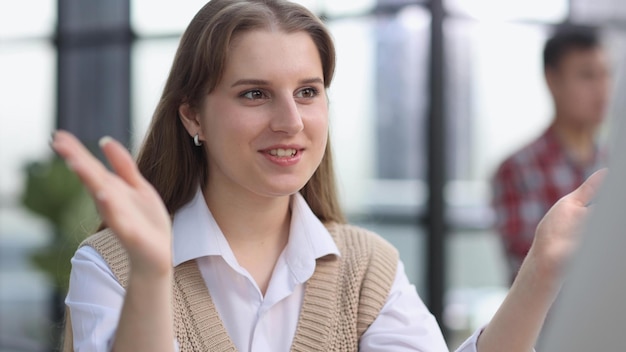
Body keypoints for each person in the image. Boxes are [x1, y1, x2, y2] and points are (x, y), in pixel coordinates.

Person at [52, 1, 605, 351]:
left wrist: (541, 270)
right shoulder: (113, 267)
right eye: (254, 93)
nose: (290, 121)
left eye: (307, 92)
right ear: (192, 114)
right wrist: (153, 275)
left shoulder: (366, 266)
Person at [492, 25, 611, 283]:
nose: (602, 88)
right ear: (553, 80)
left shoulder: (613, 161)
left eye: (606, 74)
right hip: (551, 323)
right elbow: (532, 269)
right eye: (587, 76)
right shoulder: (518, 169)